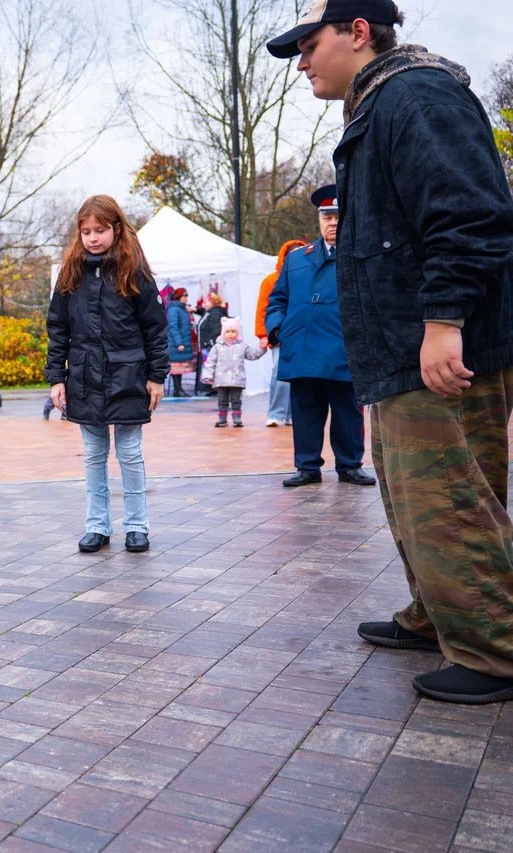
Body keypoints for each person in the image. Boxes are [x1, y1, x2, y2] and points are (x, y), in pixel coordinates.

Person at [270, 1, 513, 703]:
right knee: (416, 498)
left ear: (357, 31)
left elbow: (469, 213)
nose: (302, 63)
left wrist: (443, 319)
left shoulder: (417, 94)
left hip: (439, 350)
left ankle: (495, 649)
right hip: (404, 353)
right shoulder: (383, 103)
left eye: (307, 45)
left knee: (452, 501)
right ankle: (439, 613)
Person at [46, 195, 169, 555]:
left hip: (128, 376)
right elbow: (58, 329)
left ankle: (136, 525)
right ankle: (97, 526)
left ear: (116, 228)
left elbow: (155, 329)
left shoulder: (135, 271)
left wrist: (156, 376)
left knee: (130, 453)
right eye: (86, 231)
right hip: (84, 377)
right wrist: (57, 377)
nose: (93, 237)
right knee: (93, 453)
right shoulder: (70, 274)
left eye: (100, 230)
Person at [265, 186, 375, 487]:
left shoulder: (360, 256)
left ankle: (350, 465)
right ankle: (307, 466)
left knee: (348, 412)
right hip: (301, 348)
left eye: (338, 215)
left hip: (343, 349)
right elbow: (277, 300)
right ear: (319, 220)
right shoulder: (298, 257)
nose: (333, 222)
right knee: (305, 412)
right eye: (327, 216)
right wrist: (279, 329)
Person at [255, 240, 306, 426]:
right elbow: (263, 308)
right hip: (281, 336)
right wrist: (263, 334)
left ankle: (293, 415)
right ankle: (276, 414)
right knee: (279, 373)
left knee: (300, 376)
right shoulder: (271, 280)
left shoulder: (309, 276)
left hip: (303, 334)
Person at [202, 317, 267, 427]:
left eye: (233, 331)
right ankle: (222, 419)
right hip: (221, 380)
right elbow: (210, 361)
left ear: (237, 332)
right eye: (227, 332)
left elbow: (252, 355)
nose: (230, 334)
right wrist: (208, 375)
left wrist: (262, 348)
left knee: (236, 400)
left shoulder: (242, 346)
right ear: (223, 333)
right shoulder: (217, 347)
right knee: (222, 400)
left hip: (237, 380)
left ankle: (237, 418)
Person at [166, 288, 194, 397]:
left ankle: (179, 389)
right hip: (176, 343)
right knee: (176, 367)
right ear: (178, 296)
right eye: (185, 295)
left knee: (179, 367)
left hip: (181, 341)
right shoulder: (174, 309)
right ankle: (178, 390)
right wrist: (179, 343)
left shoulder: (181, 309)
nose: (186, 298)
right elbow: (173, 327)